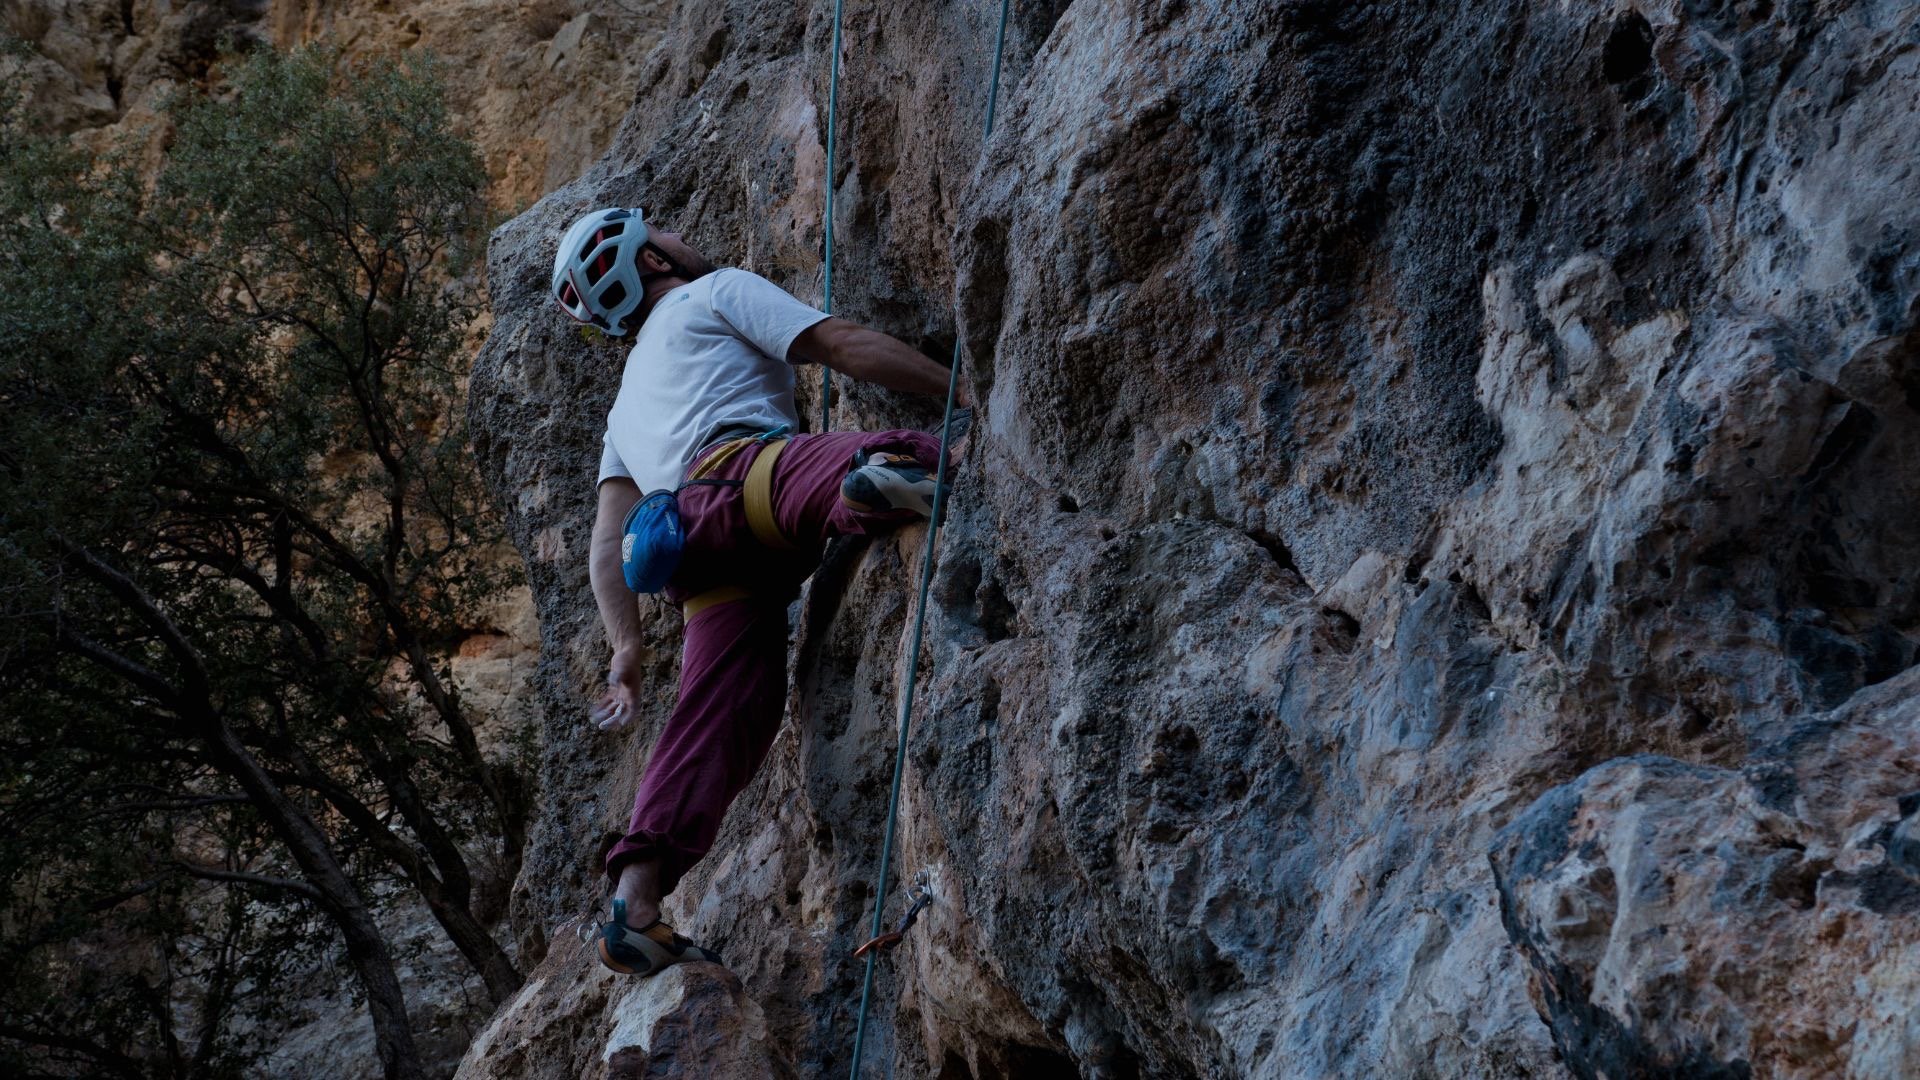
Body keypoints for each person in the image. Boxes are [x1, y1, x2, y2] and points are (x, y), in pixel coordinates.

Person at [551, 206, 966, 976]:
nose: (676, 234)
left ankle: (634, 905)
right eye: (660, 231)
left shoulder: (622, 411)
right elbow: (841, 345)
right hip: (746, 481)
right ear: (651, 263)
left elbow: (606, 544)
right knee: (880, 461)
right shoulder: (712, 293)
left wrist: (625, 652)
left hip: (691, 560)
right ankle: (877, 478)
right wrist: (961, 390)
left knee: (718, 717)